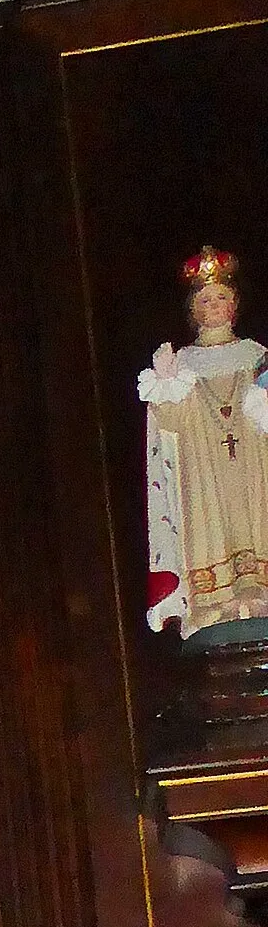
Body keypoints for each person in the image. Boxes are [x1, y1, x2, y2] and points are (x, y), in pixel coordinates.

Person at [142, 247, 268, 638]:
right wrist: (164, 386)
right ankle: (215, 603)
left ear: (235, 305)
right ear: (192, 309)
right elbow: (169, 428)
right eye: (205, 300)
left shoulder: (257, 358)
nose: (214, 307)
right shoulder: (183, 365)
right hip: (204, 472)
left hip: (251, 466)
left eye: (222, 298)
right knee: (209, 523)